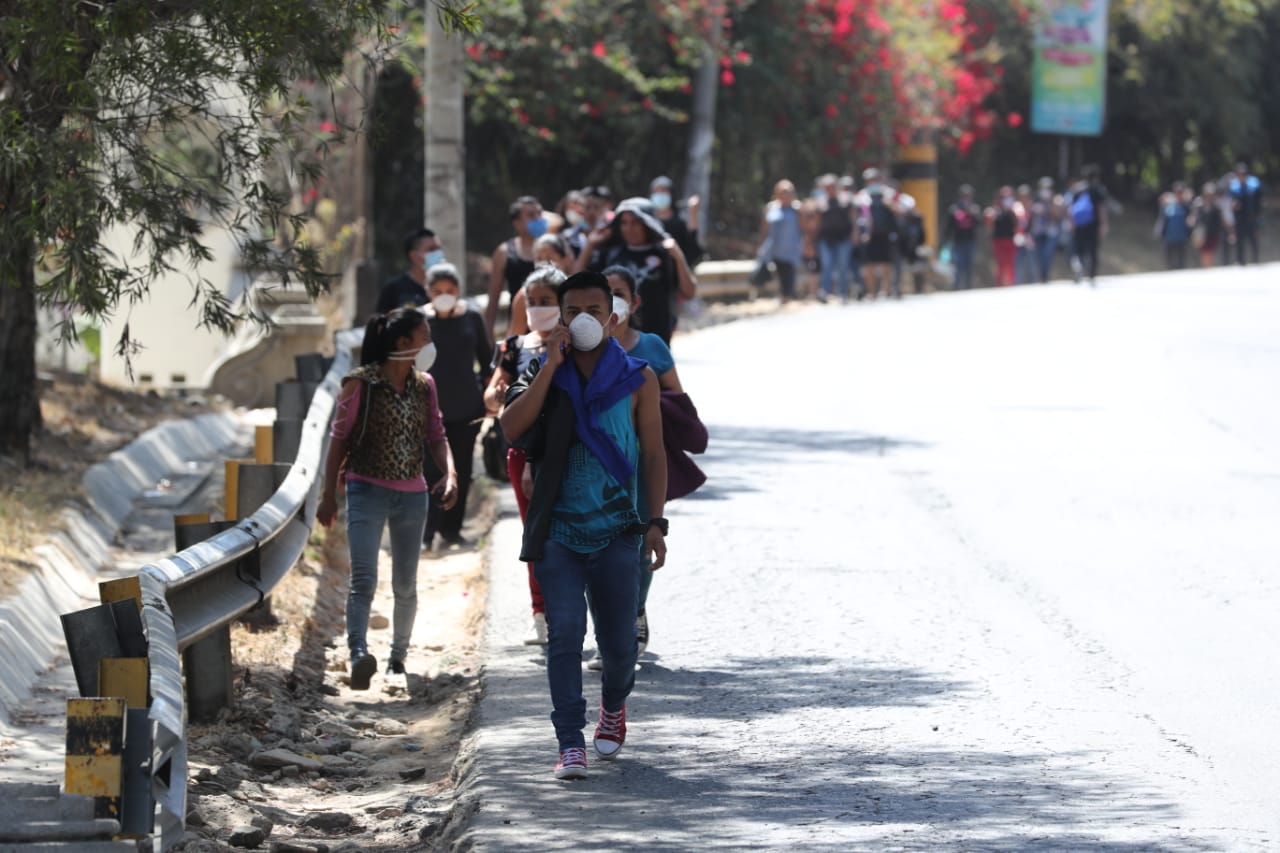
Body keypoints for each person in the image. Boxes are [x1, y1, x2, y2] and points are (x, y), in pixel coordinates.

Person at [500, 270, 667, 781]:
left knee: (618, 648)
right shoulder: (543, 373)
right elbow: (510, 427)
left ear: (612, 318)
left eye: (594, 311)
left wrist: (655, 522)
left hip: (619, 529)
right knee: (565, 634)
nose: (583, 320)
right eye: (573, 312)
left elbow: (654, 455)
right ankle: (569, 741)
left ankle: (613, 706)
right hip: (558, 533)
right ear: (562, 321)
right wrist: (549, 366)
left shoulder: (639, 378)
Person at [317, 308, 457, 688]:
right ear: (403, 343)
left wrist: (450, 472)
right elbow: (338, 440)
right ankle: (359, 653)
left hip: (412, 497)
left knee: (405, 584)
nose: (430, 344)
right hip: (365, 491)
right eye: (425, 336)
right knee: (363, 578)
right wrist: (328, 495)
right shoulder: (360, 383)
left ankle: (398, 656)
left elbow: (436, 434)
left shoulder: (424, 384)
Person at [602, 265, 693, 661]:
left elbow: (677, 398)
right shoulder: (579, 350)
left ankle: (634, 610)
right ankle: (610, 631)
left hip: (642, 462)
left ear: (634, 301)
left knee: (641, 539)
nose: (613, 300)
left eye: (619, 292)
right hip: (595, 465)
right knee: (599, 546)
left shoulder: (652, 347)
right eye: (606, 293)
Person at [484, 266, 567, 646]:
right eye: (531, 302)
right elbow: (489, 397)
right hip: (523, 454)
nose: (538, 309)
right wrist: (499, 396)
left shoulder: (575, 344)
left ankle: (574, 611)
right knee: (536, 533)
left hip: (569, 449)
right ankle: (542, 614)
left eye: (546, 301)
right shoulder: (513, 347)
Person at [421, 263, 492, 551]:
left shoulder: (472, 317)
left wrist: (489, 397)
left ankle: (452, 530)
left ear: (459, 291)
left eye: (450, 291)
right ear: (428, 292)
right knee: (428, 470)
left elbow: (487, 359)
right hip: (427, 409)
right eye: (437, 291)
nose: (444, 296)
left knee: (460, 468)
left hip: (466, 407)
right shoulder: (419, 320)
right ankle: (426, 532)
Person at [578, 197, 696, 344]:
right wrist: (590, 245)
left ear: (648, 224)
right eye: (624, 223)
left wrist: (678, 257)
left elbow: (689, 292)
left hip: (655, 341)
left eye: (635, 222)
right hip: (615, 343)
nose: (629, 228)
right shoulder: (611, 254)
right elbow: (577, 282)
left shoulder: (664, 255)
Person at [485, 196, 545, 337]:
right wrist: (487, 333)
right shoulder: (505, 252)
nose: (537, 218)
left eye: (539, 214)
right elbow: (494, 297)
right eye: (530, 215)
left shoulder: (554, 248)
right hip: (519, 327)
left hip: (550, 326)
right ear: (517, 223)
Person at [507, 233, 576, 338]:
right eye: (539, 259)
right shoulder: (525, 294)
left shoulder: (577, 292)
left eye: (550, 258)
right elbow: (515, 336)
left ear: (565, 260)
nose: (544, 264)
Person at [755, 180, 804, 304]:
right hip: (774, 247)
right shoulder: (770, 208)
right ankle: (783, 296)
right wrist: (761, 245)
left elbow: (804, 227)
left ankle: (786, 297)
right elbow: (764, 229)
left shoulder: (797, 208)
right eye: (782, 193)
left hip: (791, 247)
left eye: (788, 193)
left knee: (788, 273)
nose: (785, 196)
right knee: (777, 273)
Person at [376, 228, 444, 313]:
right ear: (413, 255)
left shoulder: (446, 287)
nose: (438, 253)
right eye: (431, 249)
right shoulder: (394, 289)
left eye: (439, 248)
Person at [816, 174, 855, 303]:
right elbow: (817, 220)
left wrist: (855, 233)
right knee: (827, 266)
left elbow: (853, 217)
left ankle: (842, 293)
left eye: (832, 186)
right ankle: (825, 292)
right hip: (826, 239)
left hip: (843, 238)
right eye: (827, 187)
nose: (830, 189)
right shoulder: (820, 201)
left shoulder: (846, 198)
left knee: (843, 267)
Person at [1067, 165, 1108, 285]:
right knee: (1093, 250)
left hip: (1079, 225)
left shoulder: (1077, 189)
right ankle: (1092, 275)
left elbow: (1071, 208)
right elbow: (1101, 208)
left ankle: (1078, 266)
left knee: (1077, 250)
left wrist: (1071, 223)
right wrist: (1104, 224)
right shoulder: (1097, 189)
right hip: (1093, 225)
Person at [649, 176, 703, 268]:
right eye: (656, 192)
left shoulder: (680, 222)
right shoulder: (648, 222)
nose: (660, 195)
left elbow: (692, 247)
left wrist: (693, 214)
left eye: (663, 191)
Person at [861, 184, 898, 299]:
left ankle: (882, 290)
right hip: (875, 237)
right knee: (871, 265)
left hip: (881, 237)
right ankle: (875, 292)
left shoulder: (887, 204)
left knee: (883, 265)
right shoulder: (867, 205)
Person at [943, 185, 982, 290]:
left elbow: (979, 224)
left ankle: (968, 286)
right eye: (964, 196)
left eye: (968, 196)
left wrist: (973, 214)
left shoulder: (975, 208)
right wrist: (946, 240)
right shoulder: (954, 209)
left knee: (969, 265)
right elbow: (948, 227)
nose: (966, 198)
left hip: (970, 241)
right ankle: (957, 287)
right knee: (957, 265)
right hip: (957, 241)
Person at [1190, 182, 1233, 269]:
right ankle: (1206, 267)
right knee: (1204, 251)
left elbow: (1222, 219)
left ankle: (1209, 267)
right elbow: (1194, 216)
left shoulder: (1216, 206)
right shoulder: (1199, 205)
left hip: (1213, 232)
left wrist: (1230, 231)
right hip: (1202, 233)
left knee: (1211, 250)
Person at [1028, 178, 1063, 283]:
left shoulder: (1057, 199)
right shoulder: (1035, 199)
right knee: (1039, 255)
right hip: (1038, 232)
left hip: (1051, 232)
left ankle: (1045, 275)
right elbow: (1031, 213)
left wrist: (1050, 202)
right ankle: (1041, 275)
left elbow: (1057, 214)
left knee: (1047, 254)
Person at [1228, 162, 1263, 265]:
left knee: (1254, 239)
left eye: (1243, 174)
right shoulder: (1234, 187)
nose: (1241, 176)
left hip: (1252, 216)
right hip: (1240, 218)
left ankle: (1256, 259)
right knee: (1240, 240)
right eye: (1239, 174)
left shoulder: (1254, 185)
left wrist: (1259, 216)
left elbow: (1258, 202)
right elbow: (1231, 202)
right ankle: (1240, 261)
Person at [1153, 183, 1192, 270]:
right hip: (1169, 237)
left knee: (1181, 261)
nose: (1179, 194)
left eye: (1181, 192)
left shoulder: (1186, 206)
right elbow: (1162, 217)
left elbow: (1191, 217)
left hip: (1182, 237)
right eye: (1177, 192)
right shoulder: (1168, 205)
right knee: (1169, 261)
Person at [988, 185, 1018, 287]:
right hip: (998, 240)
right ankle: (999, 284)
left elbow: (1019, 223)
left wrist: (1012, 211)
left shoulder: (1016, 208)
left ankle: (1011, 283)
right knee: (1000, 263)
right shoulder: (995, 209)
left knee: (1010, 263)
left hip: (1010, 239)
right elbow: (989, 224)